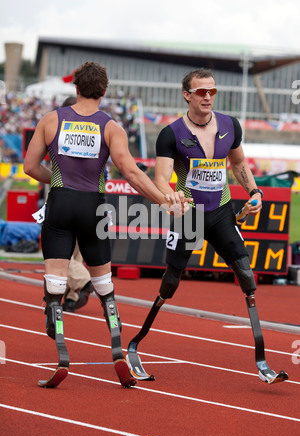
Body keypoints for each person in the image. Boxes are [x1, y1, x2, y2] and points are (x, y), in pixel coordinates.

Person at [24, 61, 190, 388]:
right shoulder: (111, 127)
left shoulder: (51, 119)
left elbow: (31, 166)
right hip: (93, 207)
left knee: (55, 282)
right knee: (103, 282)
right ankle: (116, 345)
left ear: (76, 88)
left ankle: (60, 350)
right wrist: (163, 199)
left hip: (60, 203)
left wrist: (58, 183)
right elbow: (131, 173)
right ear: (104, 91)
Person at [127, 68, 288, 385]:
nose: (207, 97)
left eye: (212, 91)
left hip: (221, 211)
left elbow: (239, 164)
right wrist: (170, 194)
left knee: (246, 275)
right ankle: (136, 343)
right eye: (201, 92)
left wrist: (254, 192)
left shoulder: (230, 125)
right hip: (188, 213)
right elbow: (160, 178)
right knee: (171, 281)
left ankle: (261, 360)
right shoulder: (170, 134)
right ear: (186, 95)